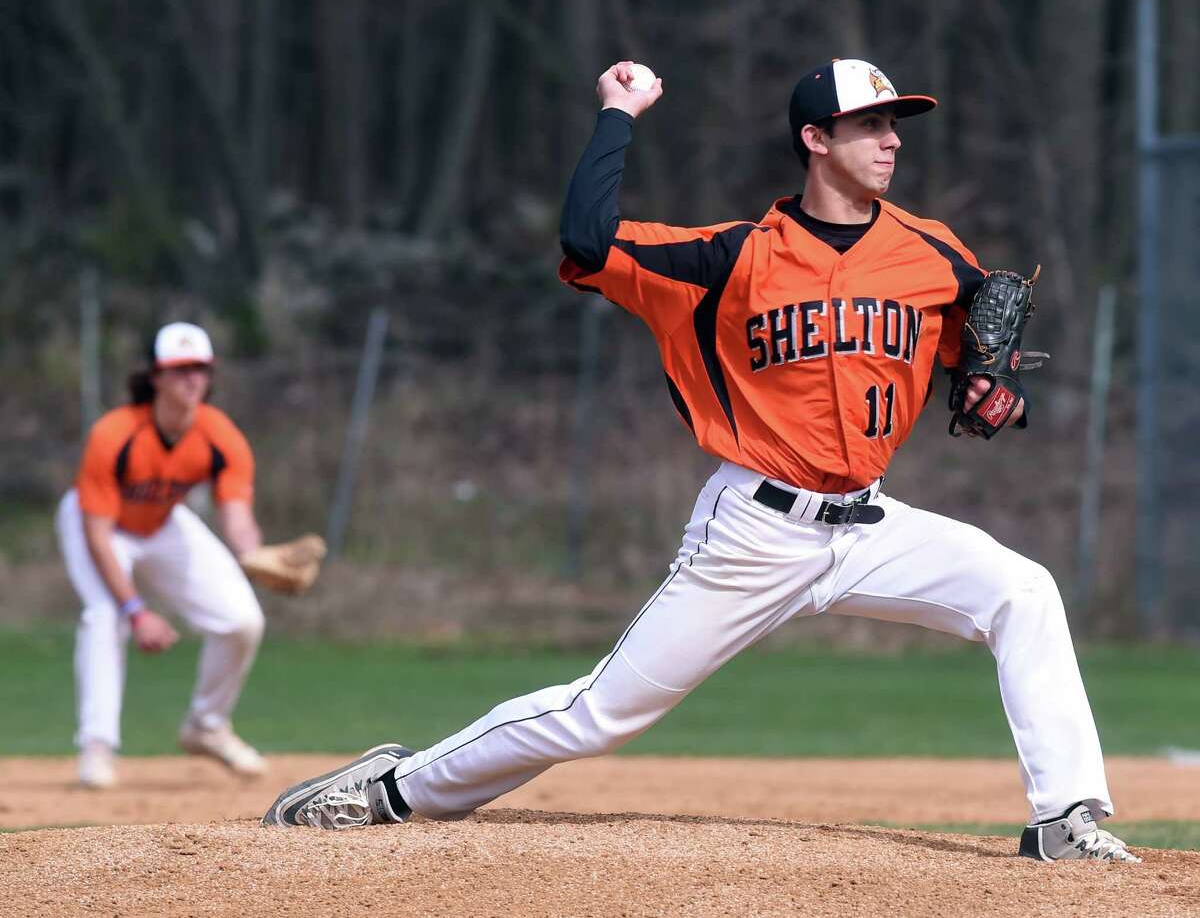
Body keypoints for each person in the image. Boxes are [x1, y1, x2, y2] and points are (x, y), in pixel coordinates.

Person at [262, 59, 1138, 863]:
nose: (892, 139)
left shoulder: (931, 250)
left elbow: (975, 352)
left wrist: (994, 392)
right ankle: (389, 786)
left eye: (895, 122)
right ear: (815, 140)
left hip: (873, 523)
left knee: (1022, 590)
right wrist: (618, 115)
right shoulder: (729, 260)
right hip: (754, 529)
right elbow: (586, 240)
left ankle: (1065, 819)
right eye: (870, 124)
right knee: (600, 712)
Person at [58, 321, 268, 788]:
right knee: (104, 616)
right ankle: (97, 747)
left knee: (242, 620)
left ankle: (206, 725)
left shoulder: (220, 435)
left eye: (200, 369)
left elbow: (236, 512)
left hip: (162, 522)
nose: (191, 379)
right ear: (156, 377)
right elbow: (97, 534)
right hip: (98, 525)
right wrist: (137, 611)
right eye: (179, 370)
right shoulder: (114, 434)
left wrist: (255, 555)